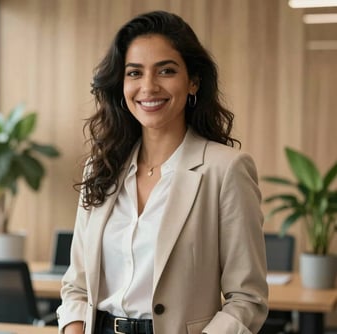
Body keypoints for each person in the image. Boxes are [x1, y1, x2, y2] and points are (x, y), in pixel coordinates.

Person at [57, 10, 268, 334]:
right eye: (134, 73)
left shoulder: (226, 170)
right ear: (121, 83)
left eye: (166, 71)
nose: (148, 86)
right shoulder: (101, 168)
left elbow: (247, 299)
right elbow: (77, 284)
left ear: (193, 80)